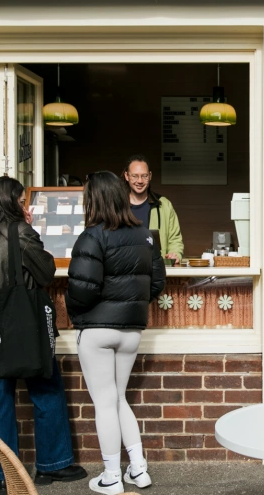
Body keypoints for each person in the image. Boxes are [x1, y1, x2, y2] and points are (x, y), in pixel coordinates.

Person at [0, 176, 86, 495]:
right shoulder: (20, 231)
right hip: (21, 327)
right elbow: (45, 272)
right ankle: (53, 464)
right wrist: (32, 229)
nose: (24, 205)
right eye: (20, 200)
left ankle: (4, 476)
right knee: (46, 389)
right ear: (11, 202)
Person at [66, 171, 166, 495]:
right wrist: (131, 305)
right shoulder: (147, 236)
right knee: (119, 399)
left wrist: (76, 312)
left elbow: (82, 290)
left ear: (93, 200)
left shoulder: (92, 236)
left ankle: (111, 476)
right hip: (132, 330)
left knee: (105, 403)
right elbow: (156, 284)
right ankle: (138, 468)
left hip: (97, 330)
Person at [123, 154, 184, 264]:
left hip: (155, 270)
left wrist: (175, 253)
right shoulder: (118, 205)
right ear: (127, 176)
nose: (140, 181)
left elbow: (175, 239)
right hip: (124, 271)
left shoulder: (164, 205)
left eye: (144, 176)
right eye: (135, 176)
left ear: (150, 176)